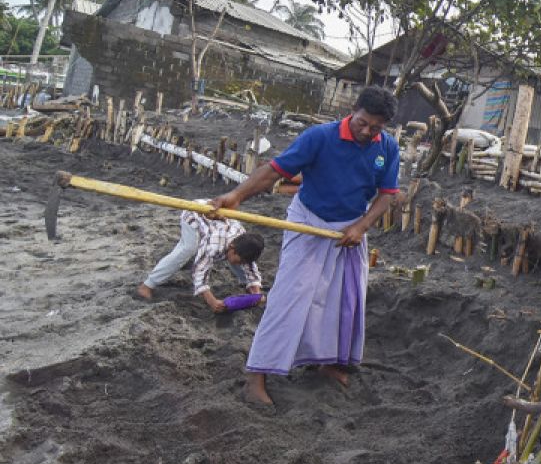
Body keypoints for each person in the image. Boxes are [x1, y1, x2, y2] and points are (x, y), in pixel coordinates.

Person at [210, 85, 402, 406]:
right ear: (352, 112)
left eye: (376, 128)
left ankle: (328, 363)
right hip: (308, 221)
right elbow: (274, 172)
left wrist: (361, 226)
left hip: (350, 229)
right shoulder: (320, 137)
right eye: (362, 123)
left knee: (343, 300)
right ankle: (255, 376)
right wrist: (235, 196)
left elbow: (387, 195)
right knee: (289, 296)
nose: (367, 131)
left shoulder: (389, 149)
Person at [136, 207, 264, 312]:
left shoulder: (243, 244)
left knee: (240, 262)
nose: (240, 263)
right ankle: (147, 285)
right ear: (231, 247)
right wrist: (211, 301)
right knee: (186, 250)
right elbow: (200, 271)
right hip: (194, 215)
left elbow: (250, 266)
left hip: (214, 223)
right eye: (239, 259)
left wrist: (256, 292)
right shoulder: (214, 246)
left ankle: (248, 287)